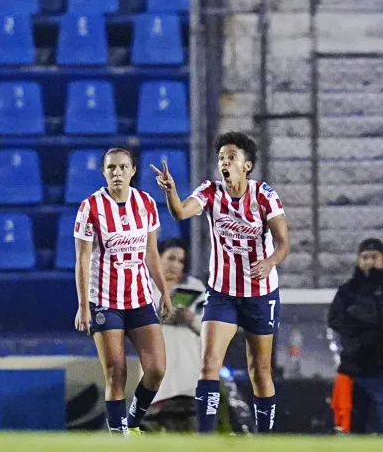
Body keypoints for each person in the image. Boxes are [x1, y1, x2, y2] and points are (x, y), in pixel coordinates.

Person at [152, 132, 290, 433]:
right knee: (210, 363)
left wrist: (269, 262)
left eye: (231, 157)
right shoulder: (211, 191)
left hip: (259, 293)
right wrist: (171, 191)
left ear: (247, 165)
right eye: (221, 158)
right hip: (222, 293)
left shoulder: (265, 195)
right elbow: (180, 211)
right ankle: (206, 437)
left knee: (260, 370)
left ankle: (265, 438)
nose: (224, 162)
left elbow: (283, 243)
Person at [73, 146, 172, 435]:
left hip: (140, 298)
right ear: (103, 172)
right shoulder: (90, 208)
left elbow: (152, 253)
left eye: (122, 167)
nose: (117, 173)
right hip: (105, 301)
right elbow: (83, 259)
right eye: (111, 168)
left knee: (156, 370)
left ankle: (132, 422)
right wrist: (83, 305)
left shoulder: (146, 203)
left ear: (133, 171)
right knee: (116, 373)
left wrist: (163, 291)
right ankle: (119, 438)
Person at [328, 238, 383, 435]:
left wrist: (360, 316)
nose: (369, 261)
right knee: (352, 428)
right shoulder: (347, 290)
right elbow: (335, 319)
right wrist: (371, 320)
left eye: (374, 257)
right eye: (365, 257)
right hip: (353, 368)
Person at [142, 239, 208, 432]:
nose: (175, 265)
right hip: (158, 372)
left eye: (180, 261)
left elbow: (210, 332)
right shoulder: (143, 288)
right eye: (170, 258)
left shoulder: (196, 288)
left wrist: (191, 318)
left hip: (190, 373)